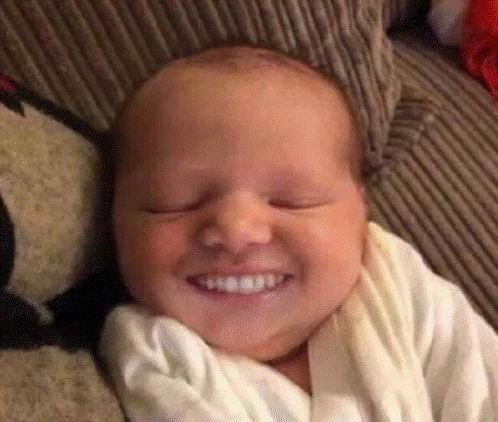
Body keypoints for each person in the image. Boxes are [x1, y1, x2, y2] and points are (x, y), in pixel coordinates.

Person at [100, 45, 498, 421]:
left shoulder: (394, 279)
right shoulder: (154, 351)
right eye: (175, 202)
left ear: (361, 214)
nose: (236, 230)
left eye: (292, 201)